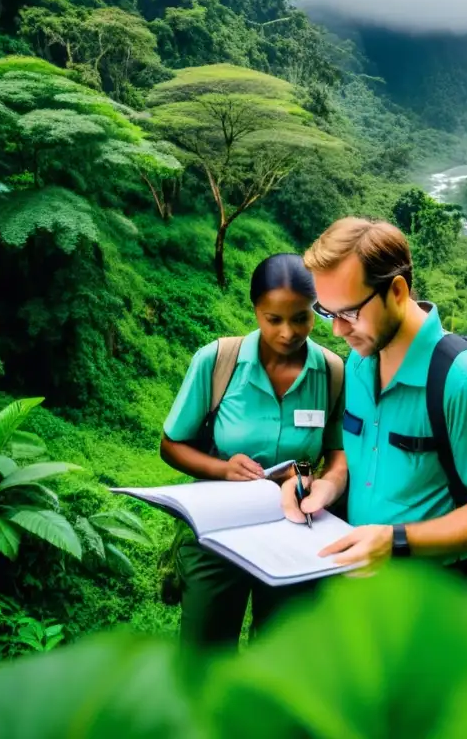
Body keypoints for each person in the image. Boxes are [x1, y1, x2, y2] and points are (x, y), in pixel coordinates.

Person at [297, 216, 467, 595]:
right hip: (360, 586)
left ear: (397, 291)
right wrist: (326, 487)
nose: (337, 330)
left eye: (349, 313)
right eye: (327, 312)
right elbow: (368, 465)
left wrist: (396, 541)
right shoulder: (359, 362)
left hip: (435, 596)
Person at [159, 253, 348, 648]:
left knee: (280, 655)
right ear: (255, 310)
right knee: (204, 654)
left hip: (293, 535)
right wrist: (223, 468)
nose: (287, 332)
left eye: (300, 317)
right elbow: (171, 445)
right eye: (273, 319)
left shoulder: (331, 373)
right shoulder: (218, 362)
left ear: (316, 310)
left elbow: (337, 454)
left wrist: (321, 483)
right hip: (217, 535)